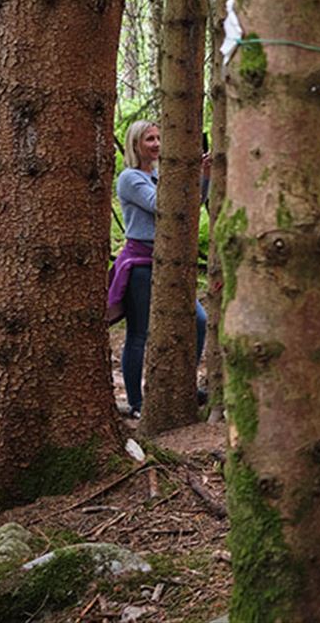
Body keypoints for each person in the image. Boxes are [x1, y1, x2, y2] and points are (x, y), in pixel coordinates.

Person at [107, 119, 209, 418]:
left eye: (159, 138)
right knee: (139, 333)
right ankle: (137, 402)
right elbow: (161, 205)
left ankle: (183, 385)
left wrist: (203, 177)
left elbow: (190, 204)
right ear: (135, 144)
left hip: (169, 260)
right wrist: (185, 175)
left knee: (198, 320)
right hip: (140, 263)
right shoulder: (130, 178)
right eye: (149, 139)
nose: (156, 144)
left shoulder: (162, 175)